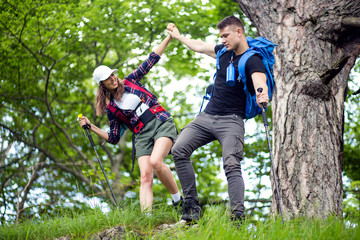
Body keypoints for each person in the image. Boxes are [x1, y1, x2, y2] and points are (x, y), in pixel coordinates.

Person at [167, 16, 269, 222]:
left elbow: (260, 79)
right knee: (178, 149)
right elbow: (200, 46)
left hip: (231, 121)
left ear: (239, 32)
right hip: (207, 116)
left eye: (226, 35)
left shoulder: (252, 59)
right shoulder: (223, 52)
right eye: (221, 36)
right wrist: (178, 37)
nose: (222, 40)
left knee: (231, 163)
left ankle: (237, 216)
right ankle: (191, 207)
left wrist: (262, 93)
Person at [78, 34, 182, 213]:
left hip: (160, 122)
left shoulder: (131, 80)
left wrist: (169, 37)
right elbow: (113, 138)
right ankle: (146, 219)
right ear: (102, 85)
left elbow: (151, 59)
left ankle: (178, 201)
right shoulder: (112, 110)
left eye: (112, 74)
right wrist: (91, 127)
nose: (112, 78)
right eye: (107, 78)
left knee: (157, 162)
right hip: (141, 136)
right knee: (145, 177)